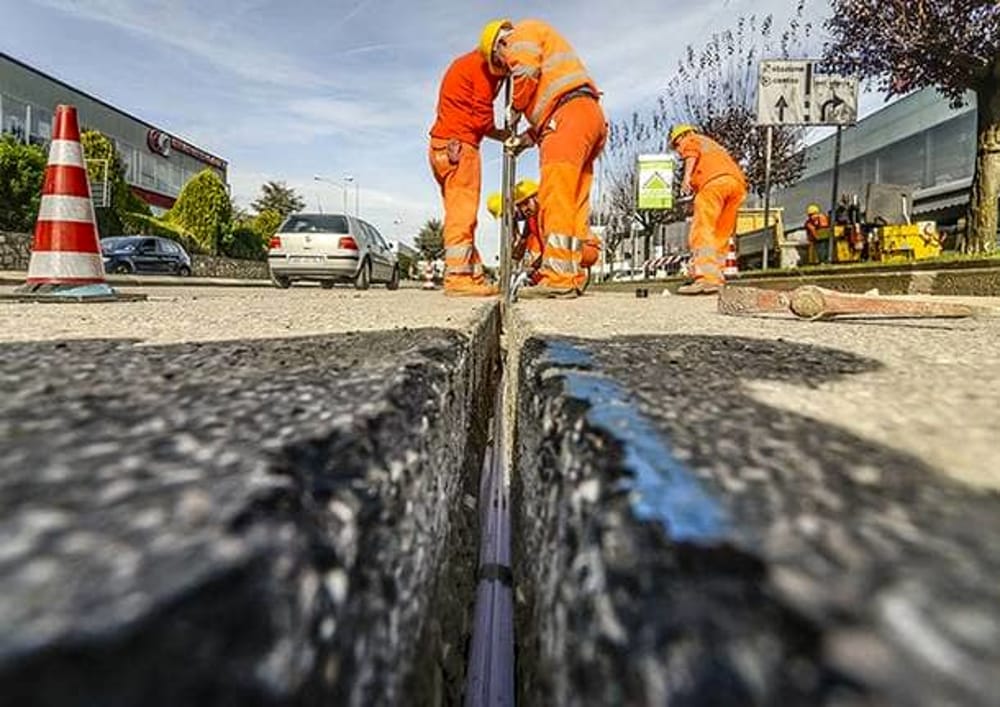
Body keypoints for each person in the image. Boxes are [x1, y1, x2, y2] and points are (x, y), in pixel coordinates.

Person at [481, 17, 607, 299]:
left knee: (556, 197)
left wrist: (514, 109)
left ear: (499, 45)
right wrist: (524, 142)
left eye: (500, 63)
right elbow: (544, 119)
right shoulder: (544, 41)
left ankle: (560, 278)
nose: (505, 68)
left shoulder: (519, 37)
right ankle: (569, 274)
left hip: (565, 117)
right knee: (575, 201)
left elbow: (525, 72)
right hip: (587, 115)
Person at [428, 37, 510, 297]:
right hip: (461, 146)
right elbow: (483, 120)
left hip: (442, 146)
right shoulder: (482, 69)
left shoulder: (466, 63)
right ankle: (458, 279)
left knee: (459, 214)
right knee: (463, 215)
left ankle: (472, 275)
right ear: (496, 47)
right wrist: (504, 135)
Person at [669, 124, 748, 295]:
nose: (677, 150)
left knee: (702, 230)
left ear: (680, 137)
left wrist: (687, 178)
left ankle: (705, 278)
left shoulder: (690, 140)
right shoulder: (712, 144)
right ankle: (716, 278)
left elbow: (691, 154)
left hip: (712, 185)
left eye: (676, 145)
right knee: (721, 233)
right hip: (736, 185)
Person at [487, 179, 601, 288]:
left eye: (526, 203)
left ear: (537, 197)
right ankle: (557, 280)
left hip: (586, 248)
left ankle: (568, 281)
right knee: (538, 275)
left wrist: (533, 266)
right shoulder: (533, 218)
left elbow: (552, 247)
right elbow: (525, 247)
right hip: (570, 250)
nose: (524, 209)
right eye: (520, 206)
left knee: (545, 264)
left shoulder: (550, 212)